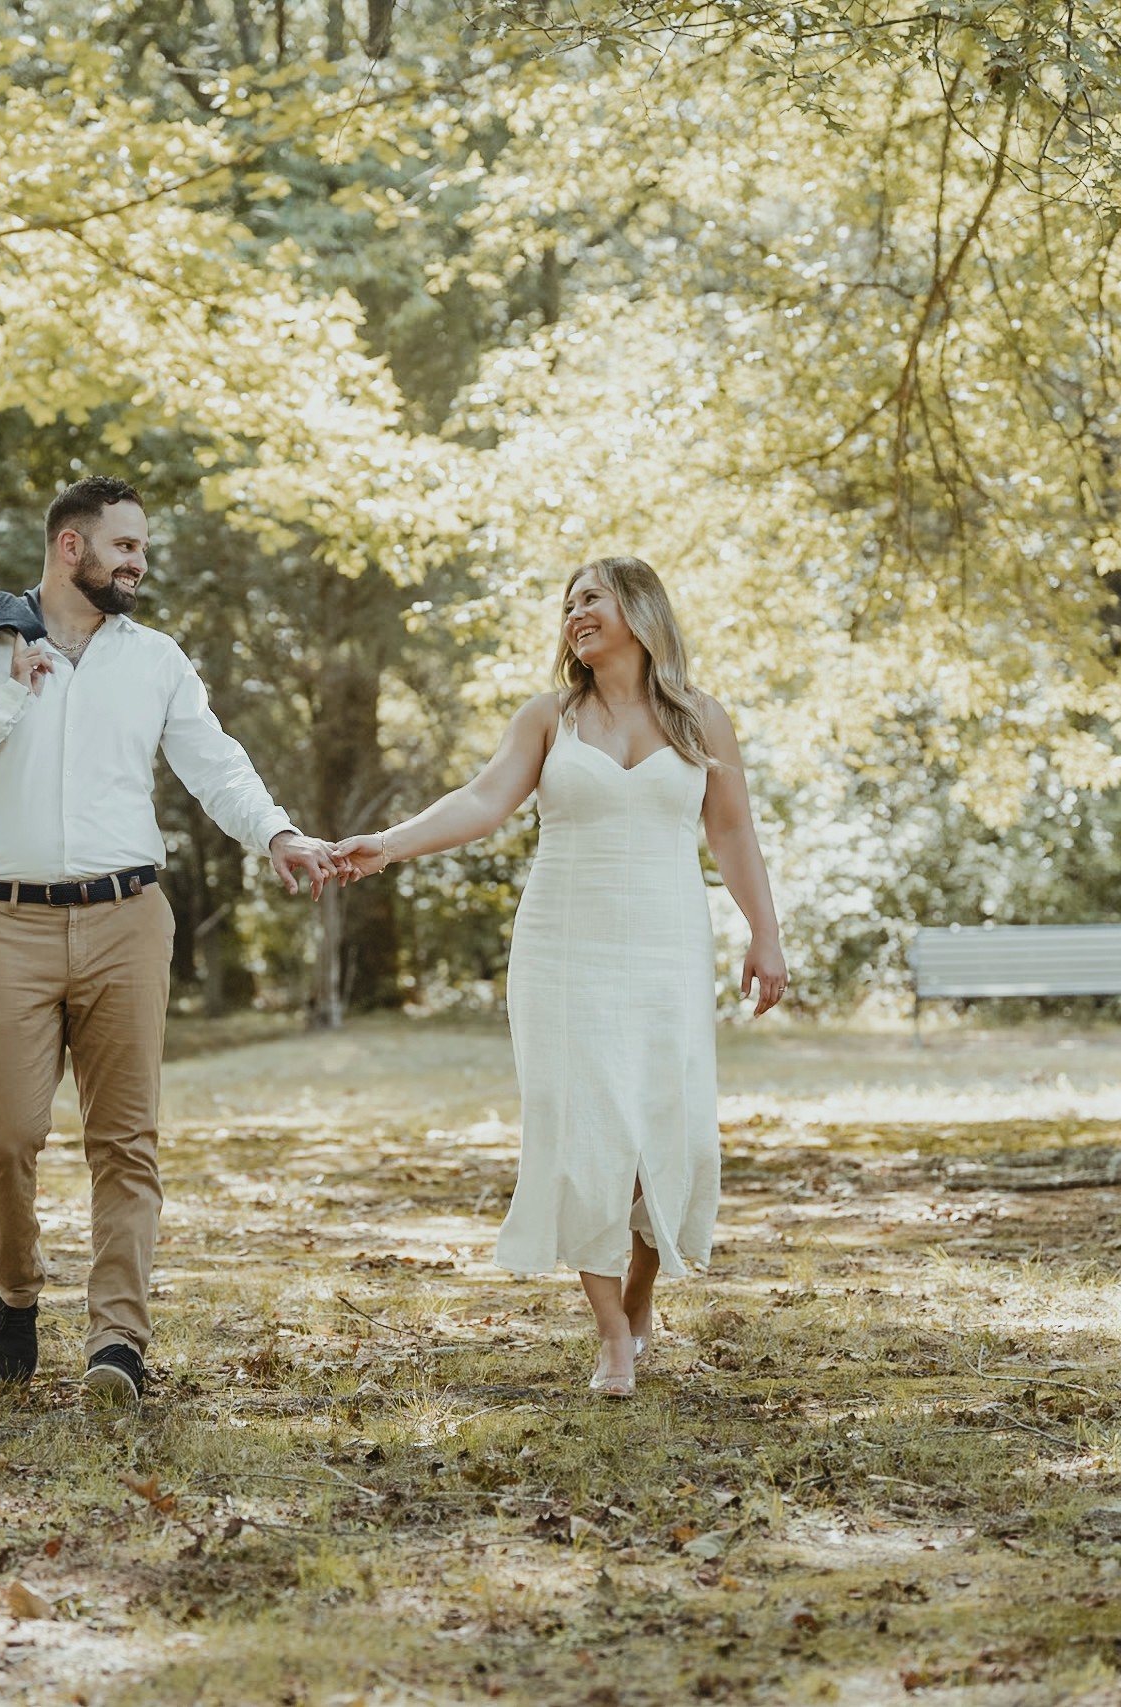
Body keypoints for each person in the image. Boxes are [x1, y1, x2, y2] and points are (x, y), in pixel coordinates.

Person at [0, 476, 340, 1409]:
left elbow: (215, 762)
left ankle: (117, 1343)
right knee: (3, 1136)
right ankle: (14, 1286)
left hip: (129, 918)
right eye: (123, 545)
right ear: (69, 548)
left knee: (126, 1141)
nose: (138, 563)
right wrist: (2, 708)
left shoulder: (156, 659)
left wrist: (279, 833)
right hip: (3, 921)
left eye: (141, 548)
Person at [334, 556, 786, 1397]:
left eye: (591, 599)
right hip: (564, 949)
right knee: (585, 1140)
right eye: (568, 601)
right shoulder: (550, 717)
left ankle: (641, 1300)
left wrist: (766, 934)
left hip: (666, 951)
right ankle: (613, 1336)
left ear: (640, 611)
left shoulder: (699, 720)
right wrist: (386, 846)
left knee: (668, 1139)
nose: (575, 613)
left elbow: (732, 835)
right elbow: (482, 800)